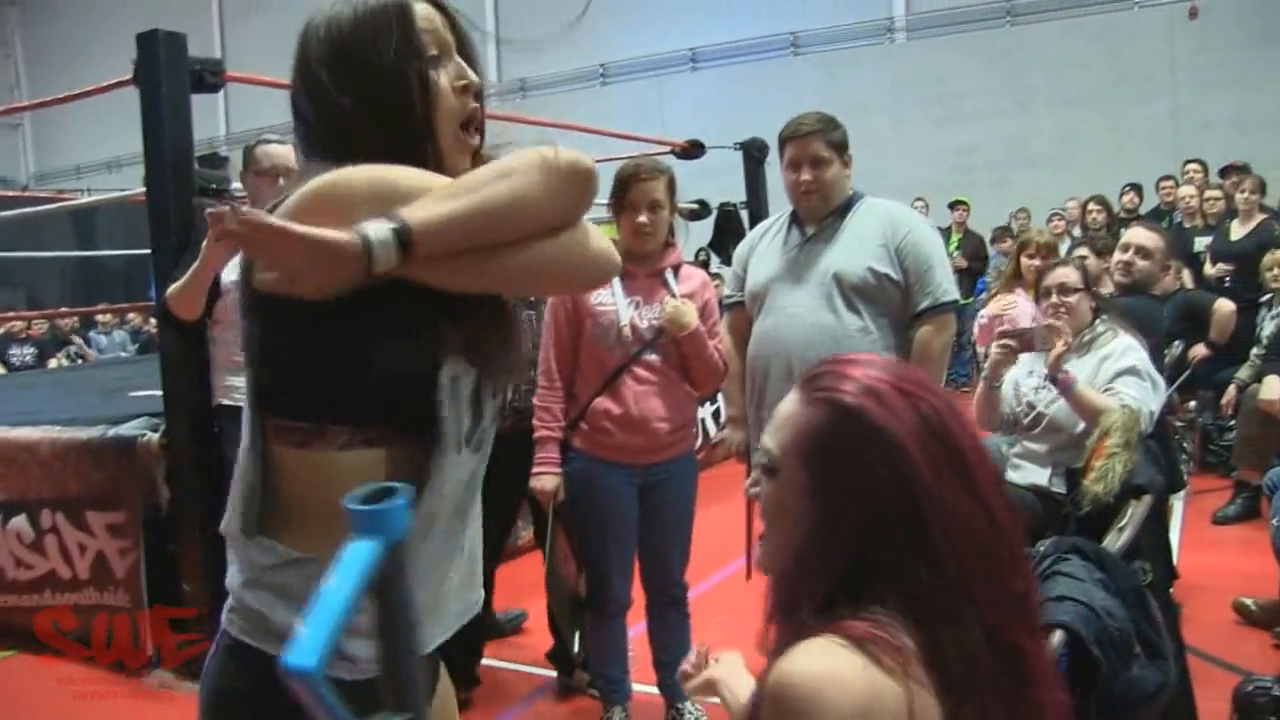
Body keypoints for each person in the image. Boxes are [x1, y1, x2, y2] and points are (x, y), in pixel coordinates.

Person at [195, 2, 620, 720]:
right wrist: (387, 246)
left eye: (461, 57)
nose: (468, 79)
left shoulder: (396, 229)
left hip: (394, 649)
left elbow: (589, 253)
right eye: (432, 60)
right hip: (301, 672)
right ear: (364, 90)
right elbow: (569, 183)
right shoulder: (331, 199)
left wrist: (374, 254)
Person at [679, 354, 1069, 719]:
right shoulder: (946, 617)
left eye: (771, 468)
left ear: (846, 506)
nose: (750, 487)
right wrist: (735, 685)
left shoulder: (822, 679)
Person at [531, 157, 726, 720]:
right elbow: (553, 376)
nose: (643, 219)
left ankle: (677, 693)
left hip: (671, 462)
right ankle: (615, 698)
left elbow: (710, 379)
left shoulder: (695, 285)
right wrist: (546, 457)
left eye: (655, 208)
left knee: (669, 588)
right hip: (599, 462)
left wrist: (690, 332)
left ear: (672, 214)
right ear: (615, 215)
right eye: (632, 208)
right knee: (608, 592)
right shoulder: (580, 281)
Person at [718, 110, 957, 470]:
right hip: (775, 441)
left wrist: (916, 420)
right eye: (793, 166)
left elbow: (937, 326)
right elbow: (734, 333)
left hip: (871, 436)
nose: (805, 177)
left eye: (818, 163)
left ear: (846, 163)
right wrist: (737, 417)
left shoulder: (902, 228)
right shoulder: (755, 243)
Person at [162, 134, 298, 633]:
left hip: (307, 401)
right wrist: (210, 262)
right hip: (241, 402)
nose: (280, 184)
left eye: (289, 173)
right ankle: (249, 630)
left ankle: (297, 625)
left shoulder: (317, 233)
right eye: (269, 173)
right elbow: (180, 309)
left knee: (303, 519)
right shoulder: (225, 244)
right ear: (246, 181)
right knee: (246, 521)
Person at [976, 258, 1166, 542]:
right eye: (1046, 294)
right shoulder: (1037, 347)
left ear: (1092, 299)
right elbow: (990, 421)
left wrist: (1060, 377)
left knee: (967, 507)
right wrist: (992, 373)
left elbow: (1125, 422)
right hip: (1021, 472)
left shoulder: (1119, 348)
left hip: (1067, 493)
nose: (1055, 300)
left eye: (1066, 291)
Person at [973, 227, 1058, 354]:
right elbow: (982, 340)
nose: (1037, 263)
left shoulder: (1062, 297)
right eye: (1030, 257)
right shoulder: (1005, 296)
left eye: (1044, 258)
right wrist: (988, 315)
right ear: (1018, 259)